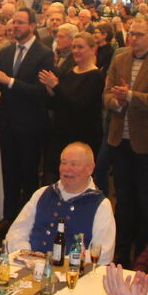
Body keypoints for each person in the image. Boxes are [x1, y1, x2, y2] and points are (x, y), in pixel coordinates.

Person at [103, 17, 148, 263]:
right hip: (119, 139)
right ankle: (121, 251)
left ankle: (144, 255)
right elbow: (106, 94)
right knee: (122, 199)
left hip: (146, 143)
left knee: (147, 201)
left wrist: (131, 96)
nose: (133, 39)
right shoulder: (120, 58)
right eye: (131, 34)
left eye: (139, 35)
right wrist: (117, 101)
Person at [0, 7, 55, 234]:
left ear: (32, 26)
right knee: (9, 173)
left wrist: (9, 81)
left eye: (20, 22)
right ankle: (9, 219)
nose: (15, 26)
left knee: (28, 176)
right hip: (7, 122)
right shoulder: (6, 52)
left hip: (31, 124)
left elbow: (40, 92)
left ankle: (29, 224)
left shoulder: (44, 54)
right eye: (13, 22)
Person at [5, 141, 115, 262]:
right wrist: (28, 256)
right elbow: (16, 232)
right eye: (63, 163)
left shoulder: (101, 205)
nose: (67, 169)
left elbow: (103, 253)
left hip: (74, 275)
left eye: (74, 164)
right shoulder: (42, 194)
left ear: (90, 169)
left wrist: (64, 264)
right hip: (28, 267)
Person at [39, 31, 105, 182]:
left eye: (80, 47)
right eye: (74, 47)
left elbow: (78, 105)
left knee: (76, 180)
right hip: (61, 134)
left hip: (82, 136)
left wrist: (56, 87)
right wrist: (50, 91)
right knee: (53, 177)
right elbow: (54, 104)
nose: (76, 51)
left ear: (92, 49)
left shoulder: (95, 76)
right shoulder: (69, 72)